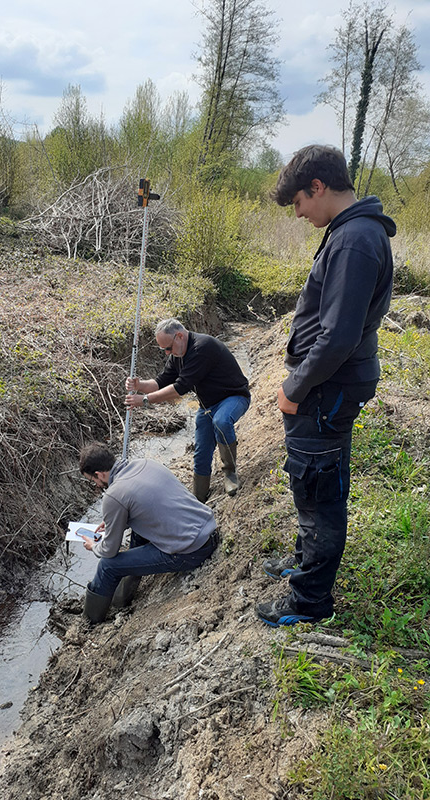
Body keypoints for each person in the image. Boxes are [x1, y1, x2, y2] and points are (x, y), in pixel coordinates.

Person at [257, 144, 395, 627]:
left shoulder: (354, 239)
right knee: (311, 484)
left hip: (325, 389)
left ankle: (309, 601)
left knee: (320, 494)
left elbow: (337, 336)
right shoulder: (352, 231)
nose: (298, 214)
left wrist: (294, 387)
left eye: (298, 203)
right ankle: (303, 561)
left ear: (317, 187)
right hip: (327, 387)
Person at [78, 441, 218, 623]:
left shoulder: (113, 495)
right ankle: (121, 599)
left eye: (93, 481)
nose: (96, 485)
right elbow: (147, 506)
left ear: (99, 474)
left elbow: (109, 551)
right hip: (207, 530)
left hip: (190, 552)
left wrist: (94, 546)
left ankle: (90, 620)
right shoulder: (145, 464)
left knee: (107, 566)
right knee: (138, 532)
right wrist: (116, 520)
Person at [124, 319, 250, 502]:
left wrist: (144, 400)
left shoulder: (202, 348)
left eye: (168, 348)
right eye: (164, 350)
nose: (168, 353)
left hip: (234, 398)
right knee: (201, 453)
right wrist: (140, 385)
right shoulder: (177, 355)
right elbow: (160, 382)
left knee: (221, 422)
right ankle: (199, 497)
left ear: (180, 336)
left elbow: (180, 388)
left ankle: (230, 473)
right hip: (208, 406)